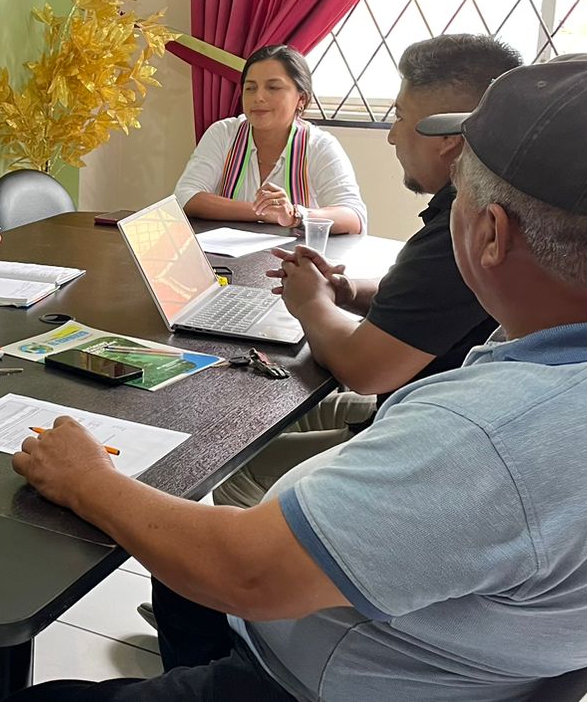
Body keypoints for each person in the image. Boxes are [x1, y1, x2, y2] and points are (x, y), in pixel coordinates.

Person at [8, 54, 587, 700]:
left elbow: (245, 573)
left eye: (460, 199)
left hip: (308, 681)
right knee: (186, 562)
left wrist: (87, 479)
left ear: (491, 234)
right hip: (464, 656)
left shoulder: (489, 438)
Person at [211, 35, 524, 508]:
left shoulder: (467, 228)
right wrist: (343, 290)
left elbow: (365, 369)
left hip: (430, 439)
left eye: (400, 117)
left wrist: (310, 302)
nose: (393, 136)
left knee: (239, 473)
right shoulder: (489, 204)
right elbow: (425, 301)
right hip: (428, 401)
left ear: (449, 139)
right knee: (272, 415)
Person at [173, 44, 366, 234]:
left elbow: (354, 216)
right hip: (225, 254)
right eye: (250, 88)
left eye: (273, 87)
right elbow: (185, 196)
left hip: (293, 255)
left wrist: (294, 215)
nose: (258, 97)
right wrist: (265, 213)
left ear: (302, 99)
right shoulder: (223, 133)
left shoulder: (319, 145)